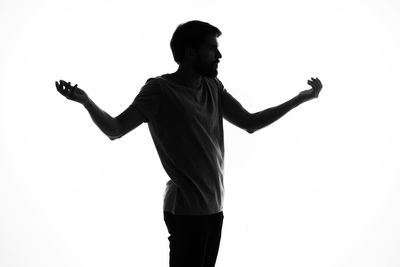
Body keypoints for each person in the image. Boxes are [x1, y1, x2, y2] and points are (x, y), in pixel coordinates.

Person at [55, 20, 323, 267]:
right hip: (186, 214)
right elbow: (115, 129)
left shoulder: (213, 86)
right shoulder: (159, 90)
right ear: (191, 52)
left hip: (214, 209)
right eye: (212, 48)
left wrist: (299, 99)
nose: (219, 56)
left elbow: (249, 122)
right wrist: (86, 102)